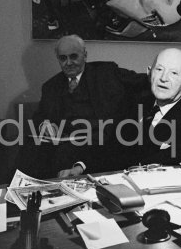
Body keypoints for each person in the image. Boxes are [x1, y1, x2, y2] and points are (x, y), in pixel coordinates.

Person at [19, 34, 149, 178]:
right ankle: (14, 194)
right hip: (67, 140)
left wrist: (159, 74)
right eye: (63, 58)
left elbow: (143, 81)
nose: (68, 63)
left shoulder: (106, 72)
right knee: (29, 148)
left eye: (74, 56)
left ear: (85, 55)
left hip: (103, 141)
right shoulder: (51, 86)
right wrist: (45, 125)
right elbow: (39, 117)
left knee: (64, 153)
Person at [120, 48, 181, 168]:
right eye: (159, 69)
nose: (163, 78)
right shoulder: (133, 104)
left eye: (174, 73)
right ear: (149, 73)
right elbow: (113, 149)